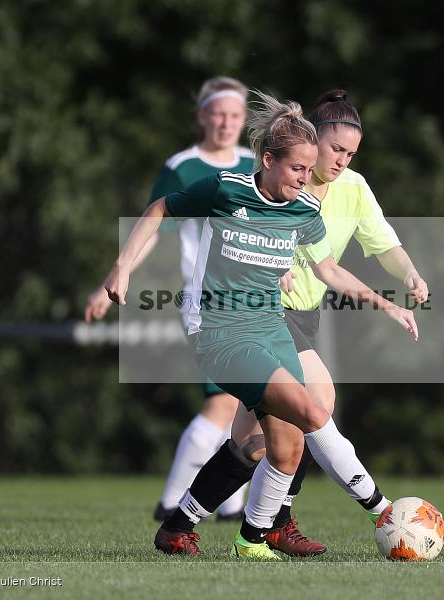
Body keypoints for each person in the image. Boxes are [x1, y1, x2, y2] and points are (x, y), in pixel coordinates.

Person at [100, 90, 418, 559]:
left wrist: (385, 302)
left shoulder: (304, 210)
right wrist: (123, 267)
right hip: (225, 333)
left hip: (271, 328)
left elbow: (328, 270)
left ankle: (224, 535)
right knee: (313, 412)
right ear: (268, 159)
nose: (306, 180)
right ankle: (382, 509)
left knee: (282, 451)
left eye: (310, 171)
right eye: (297, 170)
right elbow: (162, 208)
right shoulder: (225, 189)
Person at [84, 76, 254, 521]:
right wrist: (113, 276)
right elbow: (152, 224)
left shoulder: (260, 162)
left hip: (254, 299)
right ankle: (172, 502)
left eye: (235, 115)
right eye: (217, 113)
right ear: (202, 116)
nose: (226, 122)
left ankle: (230, 504)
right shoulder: (182, 166)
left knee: (243, 402)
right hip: (207, 299)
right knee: (223, 403)